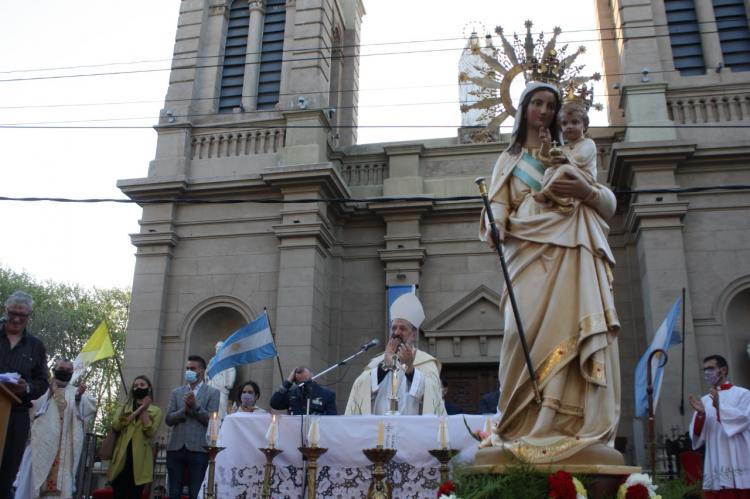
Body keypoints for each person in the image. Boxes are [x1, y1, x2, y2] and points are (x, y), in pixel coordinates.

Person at [478, 81, 620, 464]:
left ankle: (557, 419)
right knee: (516, 337)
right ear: (524, 108)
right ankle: (515, 423)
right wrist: (496, 224)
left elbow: (606, 201)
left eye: (550, 105)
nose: (543, 111)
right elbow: (496, 206)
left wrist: (588, 193)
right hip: (524, 252)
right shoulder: (508, 160)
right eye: (537, 103)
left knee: (567, 329)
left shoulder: (573, 153)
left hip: (570, 250)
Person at [345, 293, 446, 416]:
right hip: (379, 430)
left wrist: (410, 370)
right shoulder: (378, 362)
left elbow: (432, 395)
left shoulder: (426, 362)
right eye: (394, 328)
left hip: (412, 432)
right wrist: (384, 367)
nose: (397, 332)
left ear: (413, 334)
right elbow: (360, 388)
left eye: (402, 328)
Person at [15, 359, 96, 499]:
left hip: (63, 452)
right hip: (40, 448)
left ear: (72, 373)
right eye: (62, 368)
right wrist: (49, 395)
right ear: (55, 369)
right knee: (32, 488)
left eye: (68, 370)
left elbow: (87, 411)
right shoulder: (42, 389)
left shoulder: (76, 392)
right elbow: (32, 412)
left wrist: (77, 399)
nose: (64, 372)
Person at [0, 291, 49, 497]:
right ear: (5, 311)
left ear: (29, 315)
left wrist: (26, 388)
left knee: (7, 471)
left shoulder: (35, 346)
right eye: (13, 313)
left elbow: (43, 382)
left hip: (16, 414)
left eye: (23, 315)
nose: (17, 318)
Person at [689, 355, 750, 497]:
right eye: (704, 370)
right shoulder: (704, 401)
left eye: (710, 368)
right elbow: (697, 437)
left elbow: (744, 419)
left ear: (723, 370)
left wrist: (719, 408)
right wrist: (700, 415)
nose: (707, 373)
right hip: (716, 457)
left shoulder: (744, 394)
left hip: (739, 454)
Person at [165, 355, 220, 499]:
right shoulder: (176, 392)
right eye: (187, 368)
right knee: (174, 491)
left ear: (201, 372)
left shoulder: (213, 393)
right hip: (176, 448)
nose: (189, 371)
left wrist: (195, 406)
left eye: (192, 368)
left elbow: (211, 421)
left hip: (199, 449)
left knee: (195, 492)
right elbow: (169, 419)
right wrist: (183, 410)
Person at [533, 101, 597, 214]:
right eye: (565, 123)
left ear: (585, 125)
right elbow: (547, 160)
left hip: (585, 177)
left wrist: (565, 160)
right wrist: (546, 143)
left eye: (575, 122)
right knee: (549, 170)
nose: (569, 126)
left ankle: (546, 193)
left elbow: (581, 158)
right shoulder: (563, 148)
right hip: (567, 177)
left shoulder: (588, 143)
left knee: (565, 168)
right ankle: (556, 198)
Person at [108, 375, 163, 499]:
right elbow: (116, 426)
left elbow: (150, 432)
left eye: (142, 385)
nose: (138, 387)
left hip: (140, 461)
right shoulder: (123, 408)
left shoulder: (156, 411)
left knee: (134, 494)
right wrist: (137, 411)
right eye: (135, 385)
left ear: (149, 388)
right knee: (118, 493)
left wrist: (144, 409)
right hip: (122, 458)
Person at [269, 366, 337, 415]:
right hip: (295, 430)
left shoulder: (327, 394)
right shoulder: (292, 394)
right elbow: (275, 404)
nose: (305, 385)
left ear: (312, 376)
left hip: (316, 431)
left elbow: (332, 418)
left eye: (307, 381)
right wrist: (288, 382)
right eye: (301, 383)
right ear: (295, 382)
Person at [207, 341, 236, 419]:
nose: (218, 349)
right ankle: (211, 422)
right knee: (210, 403)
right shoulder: (212, 360)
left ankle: (221, 422)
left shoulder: (228, 360)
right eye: (217, 347)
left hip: (222, 386)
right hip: (212, 384)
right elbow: (207, 371)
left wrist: (230, 383)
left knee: (222, 403)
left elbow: (231, 371)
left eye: (220, 347)